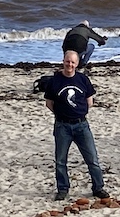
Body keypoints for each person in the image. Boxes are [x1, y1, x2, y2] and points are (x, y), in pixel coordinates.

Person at [44, 50, 108, 200]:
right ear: (63, 61)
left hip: (81, 125)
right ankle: (63, 189)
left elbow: (89, 101)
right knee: (60, 160)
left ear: (77, 64)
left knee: (92, 159)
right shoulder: (54, 81)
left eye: (73, 62)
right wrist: (61, 115)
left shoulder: (83, 79)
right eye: (67, 61)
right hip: (62, 126)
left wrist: (79, 113)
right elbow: (49, 103)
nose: (70, 65)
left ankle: (98, 188)